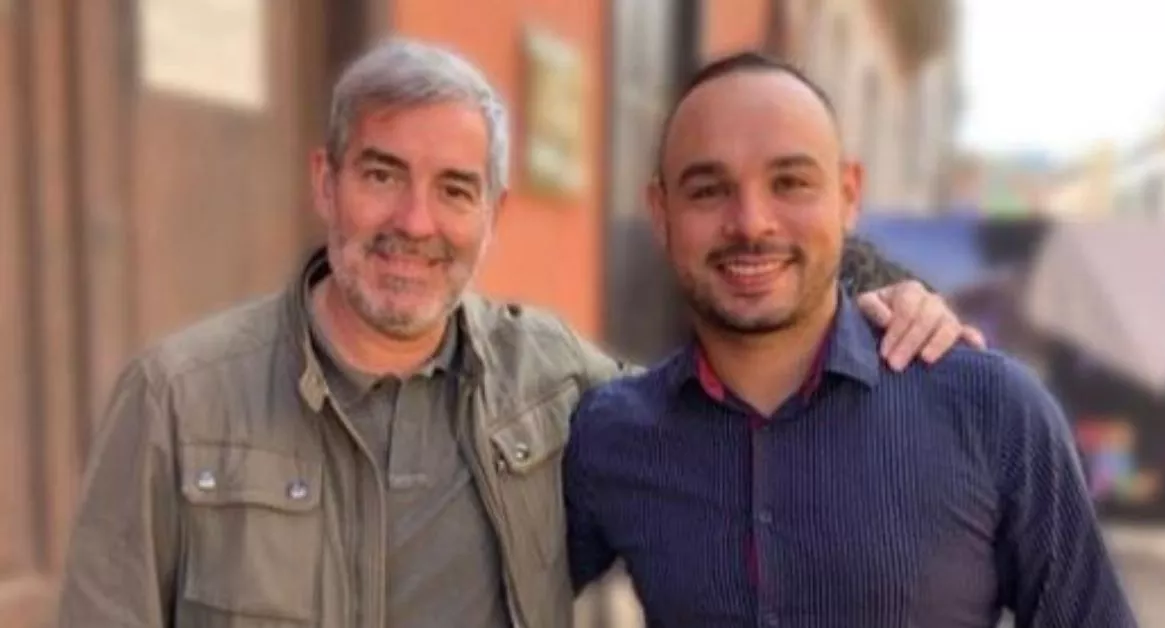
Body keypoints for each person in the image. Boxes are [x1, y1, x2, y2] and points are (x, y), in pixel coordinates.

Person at [56, 39, 983, 628]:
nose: (415, 222)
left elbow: (742, 388)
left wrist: (880, 293)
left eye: (455, 189)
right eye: (382, 174)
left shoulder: (563, 386)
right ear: (325, 182)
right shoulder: (178, 398)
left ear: (492, 211)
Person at [564, 52, 1137, 627]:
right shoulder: (612, 434)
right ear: (661, 214)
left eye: (790, 182)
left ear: (848, 194)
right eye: (709, 189)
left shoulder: (993, 409)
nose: (751, 222)